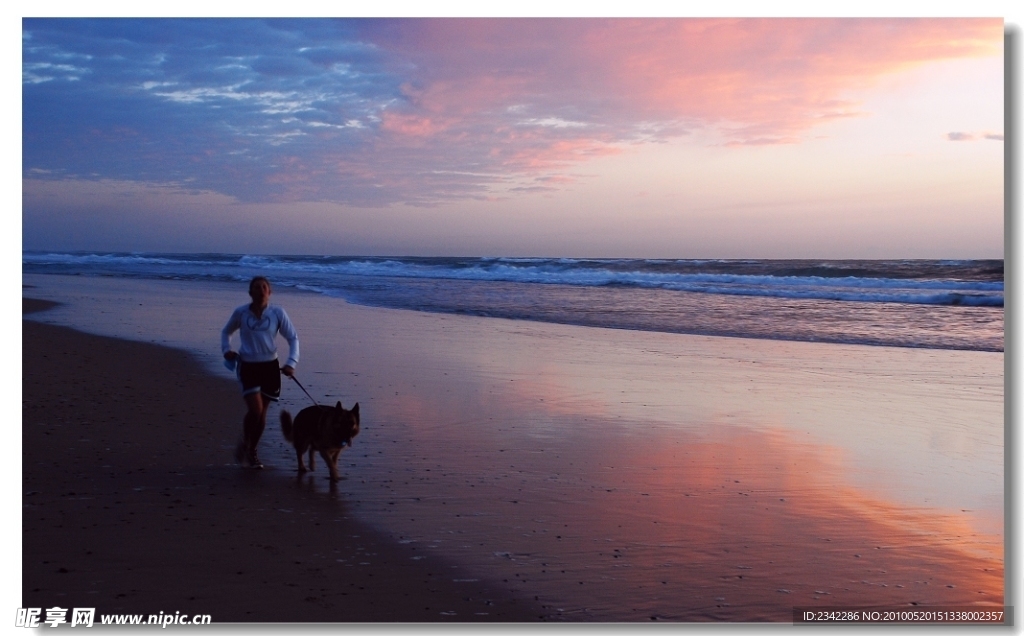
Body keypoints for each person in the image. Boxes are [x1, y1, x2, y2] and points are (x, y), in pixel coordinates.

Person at [221, 276, 299, 468]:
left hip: (270, 367)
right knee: (255, 410)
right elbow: (226, 332)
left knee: (262, 415)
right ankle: (246, 441)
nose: (261, 290)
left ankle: (251, 450)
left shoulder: (278, 312)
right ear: (250, 292)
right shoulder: (241, 313)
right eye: (256, 287)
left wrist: (291, 362)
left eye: (264, 287)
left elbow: (293, 338)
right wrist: (226, 350)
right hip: (248, 365)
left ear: (270, 292)